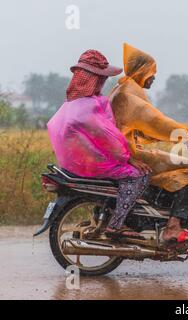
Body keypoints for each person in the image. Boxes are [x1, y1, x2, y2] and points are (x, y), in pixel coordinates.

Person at [47, 49, 151, 240]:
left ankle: (107, 215)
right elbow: (110, 139)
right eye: (100, 78)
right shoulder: (88, 107)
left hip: (74, 164)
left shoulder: (70, 105)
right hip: (92, 165)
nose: (103, 82)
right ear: (91, 79)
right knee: (139, 175)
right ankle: (117, 224)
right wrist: (128, 158)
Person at [109, 43, 188, 243]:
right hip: (132, 154)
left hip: (125, 151)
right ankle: (173, 227)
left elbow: (140, 128)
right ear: (142, 71)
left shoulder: (122, 89)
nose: (154, 77)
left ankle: (159, 211)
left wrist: (163, 136)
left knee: (170, 160)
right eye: (152, 72)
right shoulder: (129, 94)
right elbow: (157, 122)